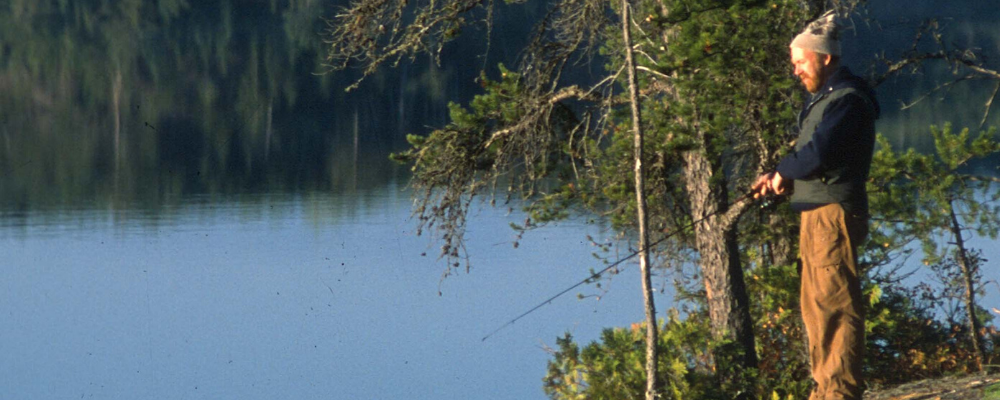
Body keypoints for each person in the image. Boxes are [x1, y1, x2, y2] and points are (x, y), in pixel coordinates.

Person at [752, 11, 880, 400]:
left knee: (834, 308)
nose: (796, 71)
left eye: (800, 62)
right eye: (794, 64)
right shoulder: (828, 99)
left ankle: (838, 393)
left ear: (825, 57)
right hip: (816, 217)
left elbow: (820, 152)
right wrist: (782, 175)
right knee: (816, 310)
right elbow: (814, 153)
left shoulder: (847, 100)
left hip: (832, 217)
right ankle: (825, 391)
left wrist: (783, 171)